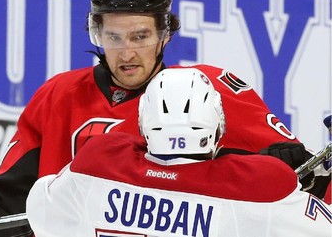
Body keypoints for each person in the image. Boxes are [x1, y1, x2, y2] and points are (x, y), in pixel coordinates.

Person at [0, 0, 329, 230]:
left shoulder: (207, 93)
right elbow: (7, 201)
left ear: (164, 34)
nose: (127, 52)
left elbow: (307, 185)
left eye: (140, 36)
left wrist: (307, 172)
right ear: (97, 33)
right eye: (114, 37)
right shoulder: (59, 94)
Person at [26, 68, 331, 237]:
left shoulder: (96, 163)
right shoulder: (258, 188)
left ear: (144, 122)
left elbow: (43, 210)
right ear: (217, 124)